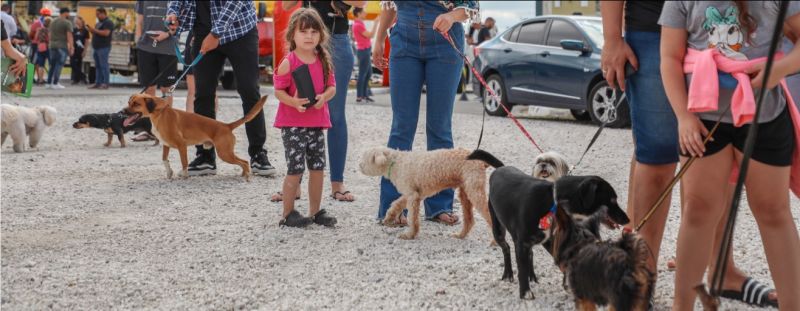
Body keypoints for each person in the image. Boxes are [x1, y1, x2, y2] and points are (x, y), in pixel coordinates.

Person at [602, 1, 786, 308]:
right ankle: (640, 277)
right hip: (652, 28)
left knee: (720, 149)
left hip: (723, 22)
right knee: (656, 156)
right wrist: (611, 38)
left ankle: (721, 268)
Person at [659, 1, 800, 309]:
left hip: (764, 114)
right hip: (701, 118)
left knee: (773, 211)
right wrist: (682, 116)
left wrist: (780, 70)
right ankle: (681, 306)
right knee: (698, 210)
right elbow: (669, 57)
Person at [372, 0, 479, 225]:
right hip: (404, 43)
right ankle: (391, 208)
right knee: (402, 125)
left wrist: (451, 17)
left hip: (445, 43)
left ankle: (439, 206)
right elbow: (390, 5)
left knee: (439, 126)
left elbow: (469, 8)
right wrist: (379, 39)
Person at [167, 1, 276, 177]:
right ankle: (205, 156)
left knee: (249, 90)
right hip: (203, 31)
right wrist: (173, 14)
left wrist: (216, 34)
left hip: (240, 30)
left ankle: (258, 154)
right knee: (202, 93)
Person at [277, 1, 367, 203]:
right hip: (304, 39)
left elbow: (361, 2)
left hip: (336, 37)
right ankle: (294, 185)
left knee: (335, 115)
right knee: (300, 109)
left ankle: (337, 183)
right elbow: (286, 5)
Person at [272, 8, 338, 228]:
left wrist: (323, 98)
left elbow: (332, 87)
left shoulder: (323, 60)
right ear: (292, 35)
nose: (309, 36)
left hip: (317, 124)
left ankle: (315, 211)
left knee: (318, 167)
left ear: (321, 34)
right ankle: (287, 213)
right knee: (295, 169)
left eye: (313, 31)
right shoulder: (288, 62)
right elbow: (278, 91)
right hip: (293, 126)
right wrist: (293, 102)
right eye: (303, 31)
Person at [135, 0, 177, 105]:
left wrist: (167, 34)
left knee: (166, 89)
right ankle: (150, 120)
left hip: (168, 49)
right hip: (145, 47)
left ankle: (166, 120)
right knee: (149, 88)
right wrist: (138, 41)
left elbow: (181, 22)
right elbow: (139, 21)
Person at [352, 7, 378, 103]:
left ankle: (365, 95)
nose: (365, 13)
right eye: (363, 12)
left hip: (365, 50)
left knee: (368, 74)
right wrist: (376, 23)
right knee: (363, 74)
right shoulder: (358, 25)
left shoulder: (360, 24)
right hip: (363, 51)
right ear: (358, 14)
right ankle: (359, 96)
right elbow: (371, 35)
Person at [46, 7, 74, 90]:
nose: (68, 15)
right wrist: (71, 47)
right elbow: (69, 35)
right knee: (59, 64)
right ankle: (55, 82)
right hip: (62, 46)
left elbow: (49, 34)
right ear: (66, 13)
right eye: (68, 13)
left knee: (52, 65)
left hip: (52, 45)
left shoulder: (53, 22)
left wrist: (51, 43)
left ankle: (48, 83)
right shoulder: (67, 23)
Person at [87, 7, 113, 89]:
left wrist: (94, 30)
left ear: (103, 13)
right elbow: (96, 32)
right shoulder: (98, 23)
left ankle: (105, 83)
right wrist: (91, 30)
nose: (97, 16)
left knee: (104, 65)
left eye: (98, 14)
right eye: (96, 14)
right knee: (97, 66)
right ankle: (98, 82)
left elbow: (106, 33)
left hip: (104, 47)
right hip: (96, 47)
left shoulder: (108, 22)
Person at [29, 9, 49, 85]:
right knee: (39, 63)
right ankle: (39, 78)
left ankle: (31, 78)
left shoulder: (37, 23)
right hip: (45, 45)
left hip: (35, 44)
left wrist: (33, 39)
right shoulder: (50, 22)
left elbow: (31, 34)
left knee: (33, 62)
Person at [71, 16, 90, 85]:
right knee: (73, 63)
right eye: (74, 20)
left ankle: (76, 79)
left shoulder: (85, 30)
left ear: (80, 21)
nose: (75, 21)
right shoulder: (74, 29)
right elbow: (71, 39)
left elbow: (87, 41)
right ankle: (83, 76)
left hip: (80, 49)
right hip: (73, 48)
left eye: (76, 20)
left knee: (78, 64)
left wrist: (85, 50)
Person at [32, 17, 51, 86]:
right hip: (48, 48)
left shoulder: (39, 29)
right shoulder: (49, 31)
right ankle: (50, 79)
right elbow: (50, 39)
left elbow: (36, 38)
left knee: (41, 65)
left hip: (40, 48)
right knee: (50, 64)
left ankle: (40, 80)